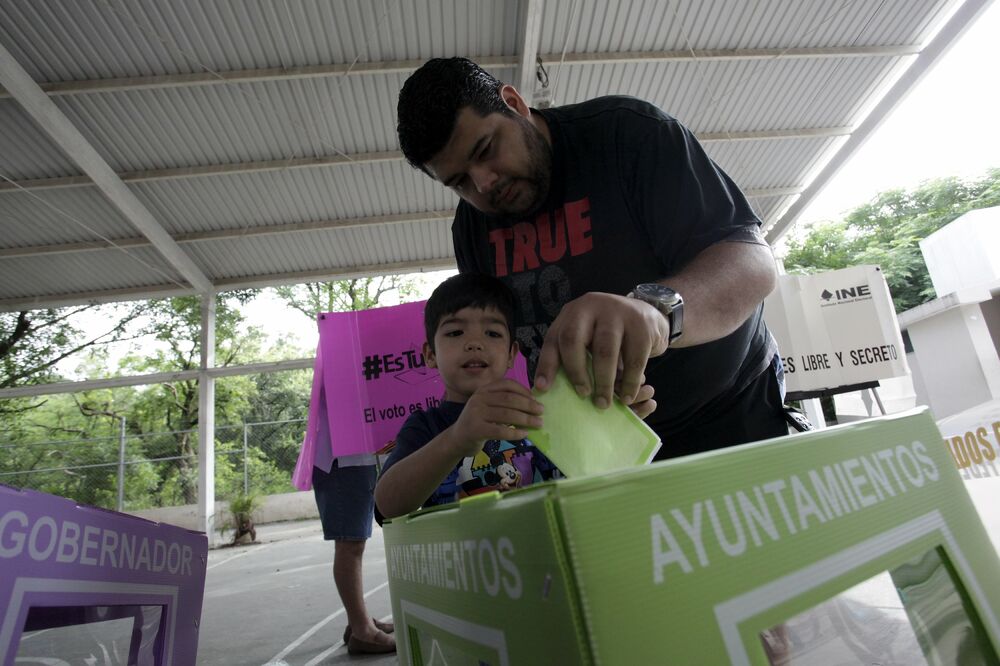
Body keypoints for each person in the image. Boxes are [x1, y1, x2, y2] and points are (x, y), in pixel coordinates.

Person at [396, 57, 790, 459]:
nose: (484, 183)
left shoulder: (626, 135)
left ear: (514, 103)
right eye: (460, 182)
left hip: (732, 412)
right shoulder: (472, 227)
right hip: (602, 448)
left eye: (486, 149)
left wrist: (655, 312)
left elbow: (751, 265)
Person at [375, 273, 570, 519]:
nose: (475, 343)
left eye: (492, 333)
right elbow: (387, 506)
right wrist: (456, 439)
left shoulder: (536, 412)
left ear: (511, 354)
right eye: (456, 333)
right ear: (430, 354)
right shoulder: (425, 426)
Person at [307, 404, 396, 655]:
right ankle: (361, 630)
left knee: (355, 541)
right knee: (350, 543)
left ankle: (359, 620)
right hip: (342, 457)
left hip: (357, 454)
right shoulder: (336, 365)